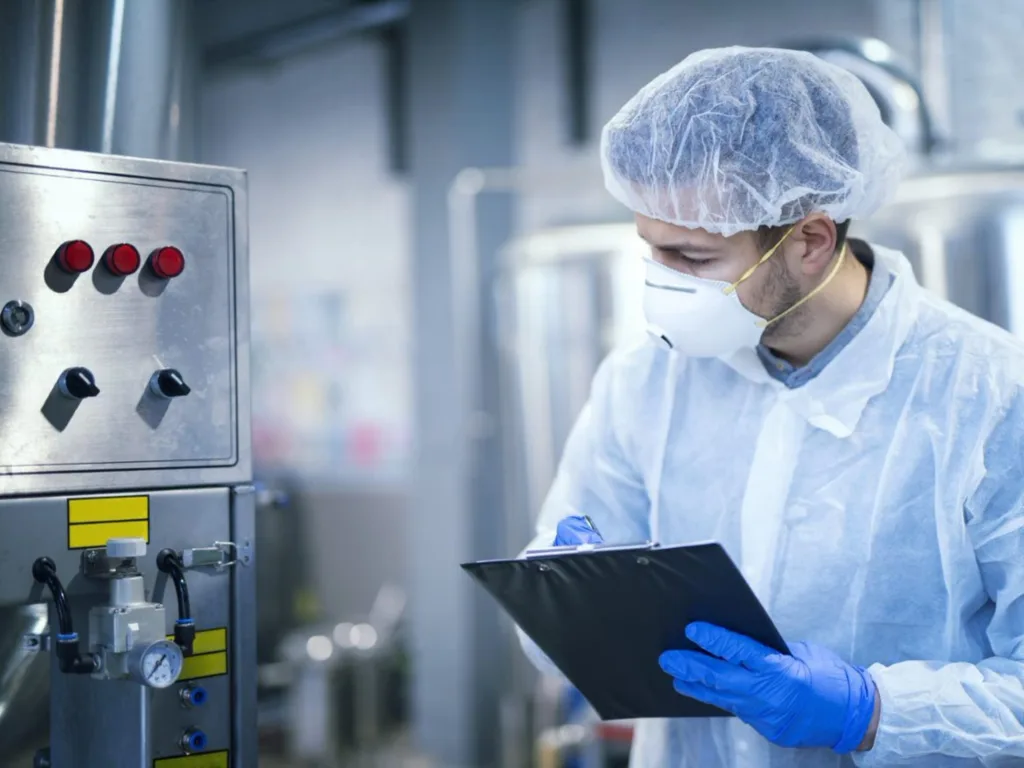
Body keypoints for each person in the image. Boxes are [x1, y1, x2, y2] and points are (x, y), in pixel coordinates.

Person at [517, 47, 1024, 767]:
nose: (662, 286)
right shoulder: (644, 381)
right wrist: (562, 599)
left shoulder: (991, 396)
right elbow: (554, 636)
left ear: (811, 240)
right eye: (649, 250)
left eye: (692, 259)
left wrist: (869, 712)